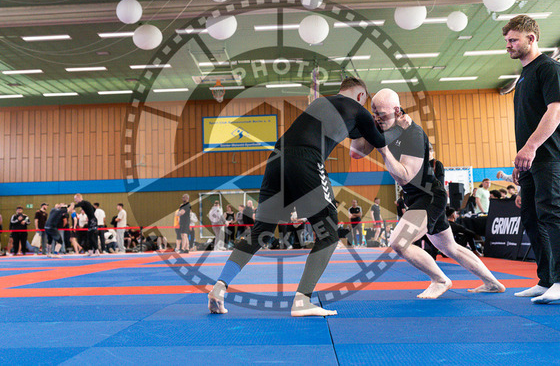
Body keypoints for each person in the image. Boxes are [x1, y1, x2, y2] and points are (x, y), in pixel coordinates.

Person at [208, 77, 398, 317]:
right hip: (306, 158)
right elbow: (378, 141)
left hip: (277, 158)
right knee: (329, 234)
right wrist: (396, 122)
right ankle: (302, 300)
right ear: (361, 96)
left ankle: (219, 287)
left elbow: (356, 138)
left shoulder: (320, 103)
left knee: (261, 232)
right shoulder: (358, 110)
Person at [351, 88, 505, 299]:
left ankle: (440, 280)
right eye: (374, 113)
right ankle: (493, 283)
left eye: (382, 115)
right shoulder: (383, 126)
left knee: (398, 242)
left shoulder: (413, 134)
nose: (378, 119)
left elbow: (405, 176)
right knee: (450, 247)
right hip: (415, 197)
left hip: (429, 196)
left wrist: (383, 150)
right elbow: (356, 152)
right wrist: (363, 126)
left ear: (397, 110)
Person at [503, 15, 560, 303]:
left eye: (513, 40)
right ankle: (547, 280)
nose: (508, 45)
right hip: (531, 159)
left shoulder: (550, 68)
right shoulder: (523, 78)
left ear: (531, 38)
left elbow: (557, 110)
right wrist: (521, 159)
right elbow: (527, 122)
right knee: (531, 217)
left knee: (552, 212)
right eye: (507, 41)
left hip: (552, 155)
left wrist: (531, 147)